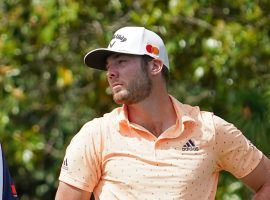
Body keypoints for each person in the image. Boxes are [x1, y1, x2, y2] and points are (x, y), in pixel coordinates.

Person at [55, 26, 270, 200]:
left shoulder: (209, 130)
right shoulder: (95, 135)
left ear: (155, 66)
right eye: (109, 66)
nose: (111, 73)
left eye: (121, 61)